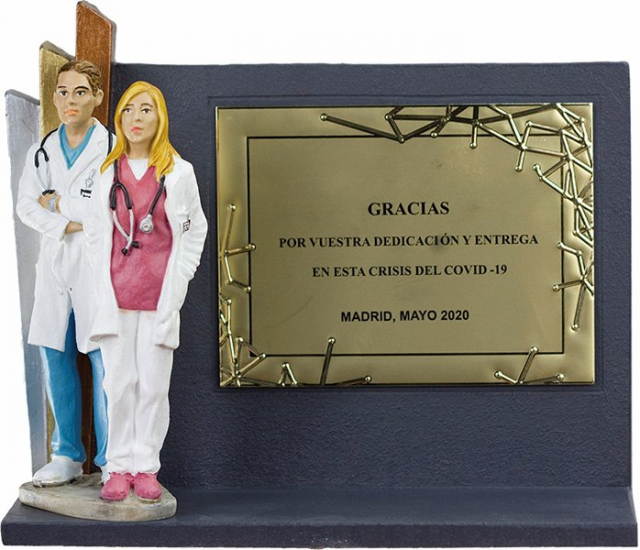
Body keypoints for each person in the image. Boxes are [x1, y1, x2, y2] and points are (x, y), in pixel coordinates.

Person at [83, 81, 207, 502]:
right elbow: (95, 236)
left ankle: (146, 468)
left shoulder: (179, 172)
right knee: (119, 385)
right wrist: (99, 287)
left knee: (153, 387)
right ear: (118, 118)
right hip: (116, 297)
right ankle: (118, 467)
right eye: (128, 110)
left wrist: (182, 276)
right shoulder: (106, 173)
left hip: (159, 298)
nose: (136, 118)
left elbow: (195, 230)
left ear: (160, 118)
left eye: (146, 110)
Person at [16, 60, 112, 486]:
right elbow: (25, 206)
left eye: (79, 92)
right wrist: (68, 223)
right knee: (54, 352)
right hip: (54, 264)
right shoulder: (43, 150)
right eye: (62, 91)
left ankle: (112, 459)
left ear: (97, 97)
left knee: (102, 357)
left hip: (95, 264)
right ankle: (67, 455)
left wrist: (57, 205)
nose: (69, 100)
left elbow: (107, 211)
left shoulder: (111, 148)